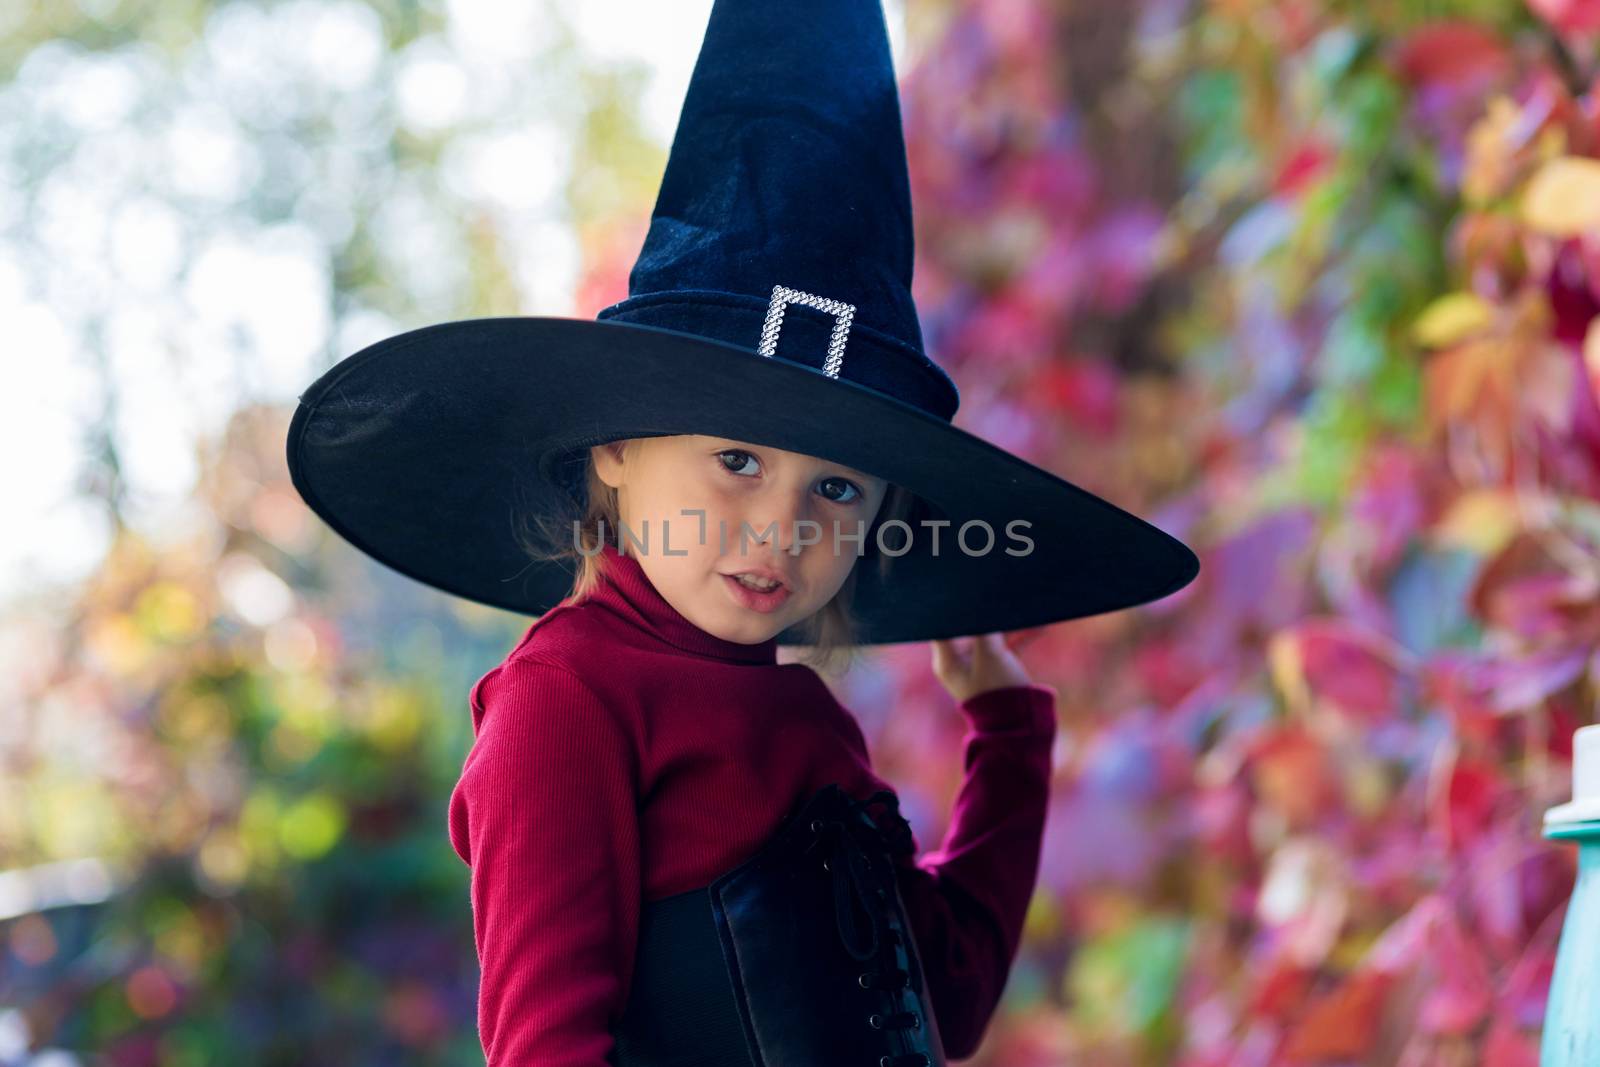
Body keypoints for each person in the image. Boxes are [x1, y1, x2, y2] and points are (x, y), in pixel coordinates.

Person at [284, 0, 1199, 1062]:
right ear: (613, 446)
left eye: (838, 491)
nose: (781, 527)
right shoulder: (566, 703)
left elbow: (943, 1000)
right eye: (738, 461)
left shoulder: (807, 720)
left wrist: (1005, 729)